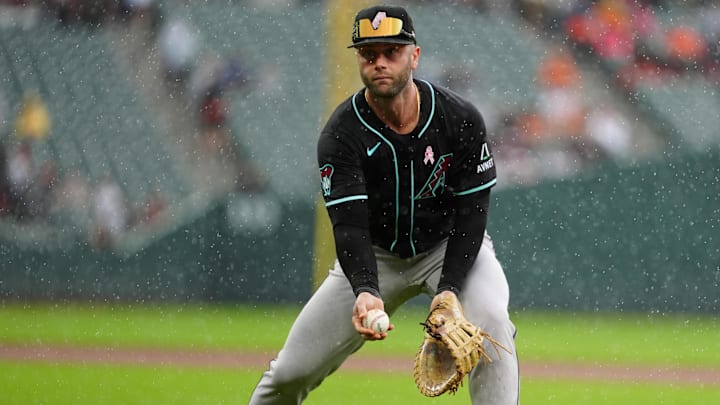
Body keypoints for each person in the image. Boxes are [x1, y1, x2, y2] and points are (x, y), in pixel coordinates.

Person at [248, 5, 519, 404]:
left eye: (391, 51)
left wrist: (449, 289)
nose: (379, 63)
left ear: (414, 55)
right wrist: (365, 289)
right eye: (368, 54)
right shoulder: (342, 134)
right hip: (376, 256)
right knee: (289, 373)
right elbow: (350, 227)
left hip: (450, 246)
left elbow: (472, 213)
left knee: (492, 326)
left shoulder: (458, 118)